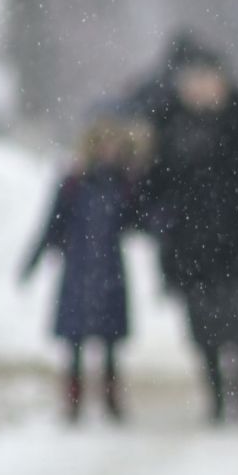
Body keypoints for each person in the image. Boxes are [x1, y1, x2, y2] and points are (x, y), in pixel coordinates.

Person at [138, 39, 238, 425]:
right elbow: (153, 183)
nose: (201, 87)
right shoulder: (168, 122)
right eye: (193, 79)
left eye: (207, 78)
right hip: (190, 247)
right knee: (202, 327)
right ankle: (217, 394)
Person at [20, 111, 150, 422]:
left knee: (109, 344)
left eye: (113, 144)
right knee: (74, 342)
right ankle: (73, 402)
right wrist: (33, 261)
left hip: (110, 268)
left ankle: (111, 400)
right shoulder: (73, 184)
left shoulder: (123, 184)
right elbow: (52, 226)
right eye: (102, 144)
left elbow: (141, 219)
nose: (107, 150)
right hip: (78, 268)